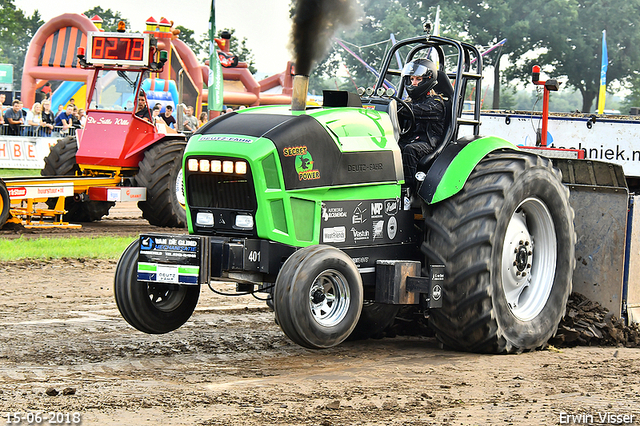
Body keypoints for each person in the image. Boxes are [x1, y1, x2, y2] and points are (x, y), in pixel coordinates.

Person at [397, 58, 445, 188]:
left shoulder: (435, 103)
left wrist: (395, 106)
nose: (414, 83)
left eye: (418, 79)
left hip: (429, 142)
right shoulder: (409, 101)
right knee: (393, 147)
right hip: (411, 139)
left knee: (409, 150)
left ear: (427, 79)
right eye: (412, 79)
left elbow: (411, 111)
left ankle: (408, 191)